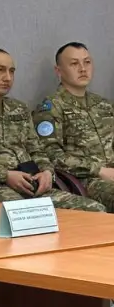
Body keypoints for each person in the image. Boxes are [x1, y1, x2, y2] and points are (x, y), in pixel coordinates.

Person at [0, 48, 104, 212]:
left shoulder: (19, 109)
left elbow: (36, 149)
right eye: (0, 70)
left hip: (32, 183)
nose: (7, 77)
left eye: (11, 71)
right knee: (25, 215)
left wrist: (47, 172)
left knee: (94, 210)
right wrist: (4, 175)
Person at [32, 42, 114, 211]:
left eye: (87, 62)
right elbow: (51, 155)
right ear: (59, 71)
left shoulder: (103, 105)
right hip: (86, 179)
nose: (83, 69)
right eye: (74, 63)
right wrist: (99, 170)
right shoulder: (51, 107)